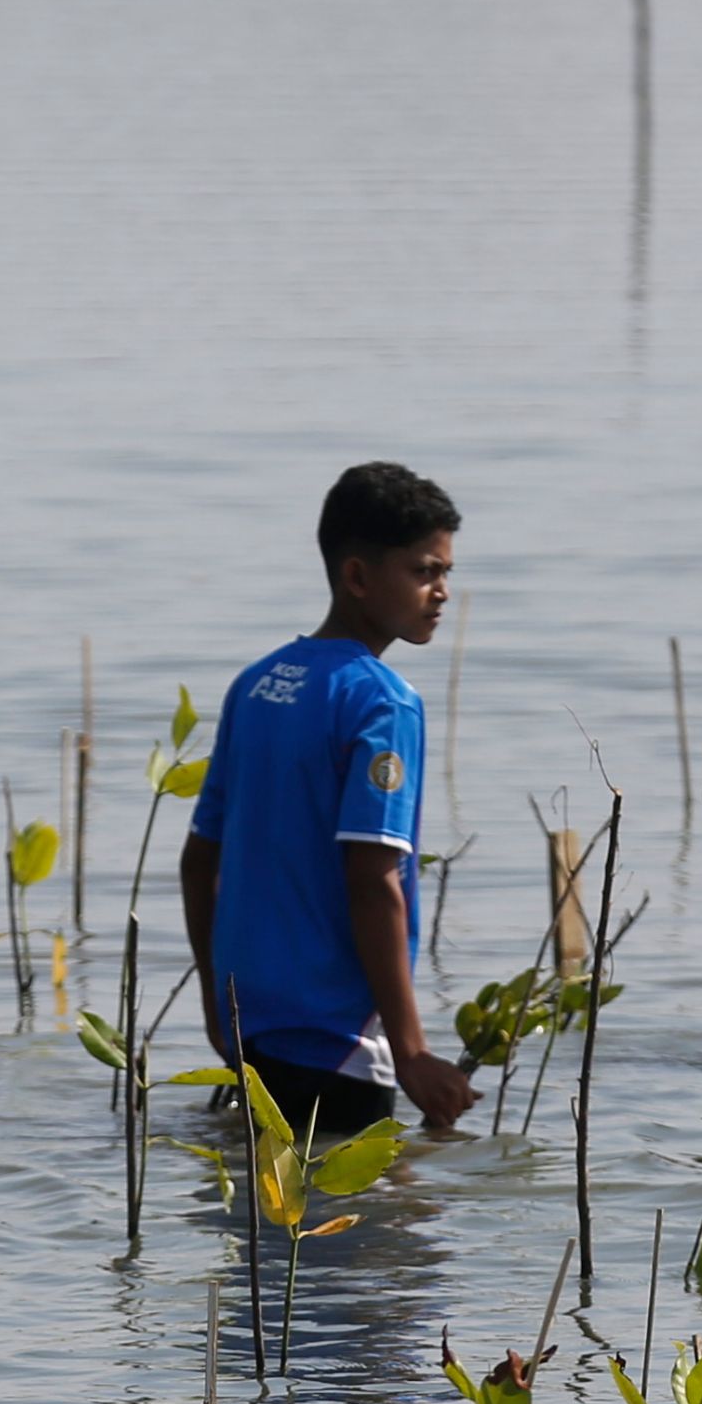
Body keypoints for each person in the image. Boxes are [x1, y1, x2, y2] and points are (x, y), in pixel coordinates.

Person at [183, 463, 478, 1143]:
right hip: (339, 1045)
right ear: (357, 576)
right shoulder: (383, 700)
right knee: (361, 1211)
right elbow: (373, 880)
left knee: (262, 1206)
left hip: (252, 1036)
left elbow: (199, 862)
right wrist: (411, 1052)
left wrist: (217, 1009)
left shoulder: (258, 684)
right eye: (424, 571)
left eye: (446, 572)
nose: (442, 592)